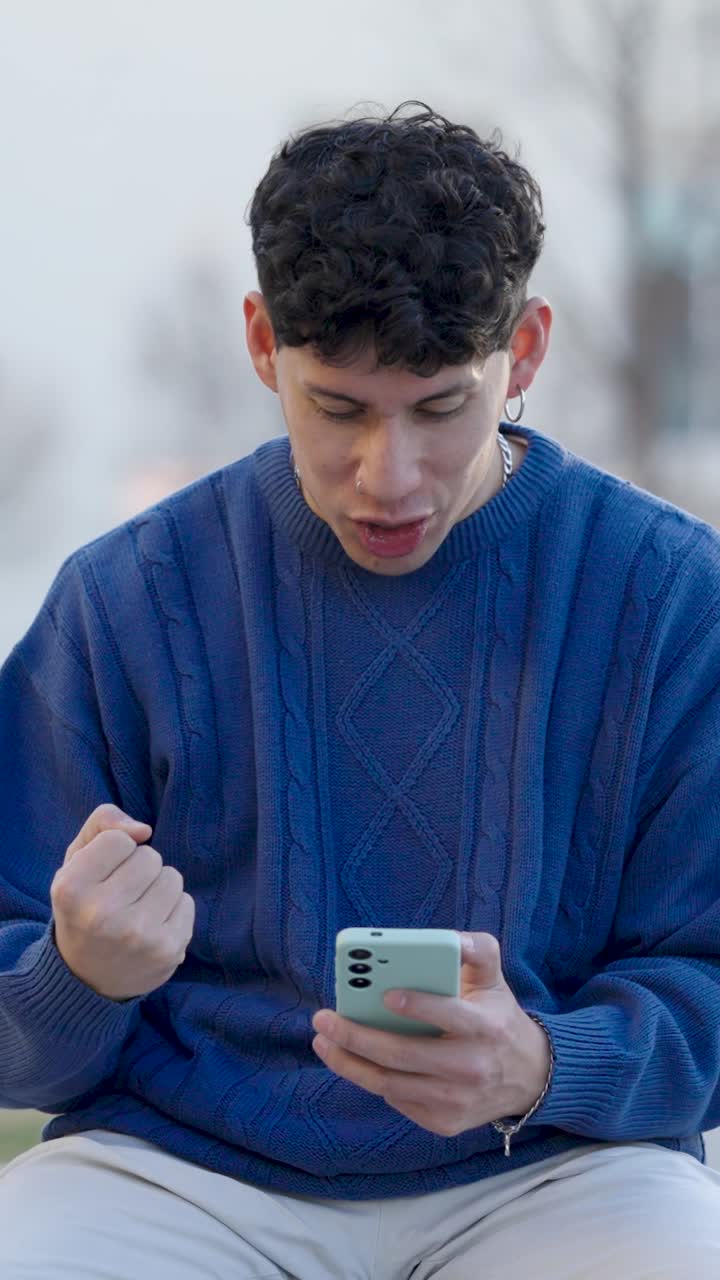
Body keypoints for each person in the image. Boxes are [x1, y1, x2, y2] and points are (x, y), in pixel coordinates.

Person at [1, 100, 720, 1280]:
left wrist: (550, 1060)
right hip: (181, 1167)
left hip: (552, 1159)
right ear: (260, 342)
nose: (389, 476)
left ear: (524, 350)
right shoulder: (128, 597)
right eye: (336, 408)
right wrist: (72, 979)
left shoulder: (670, 594)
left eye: (441, 408)